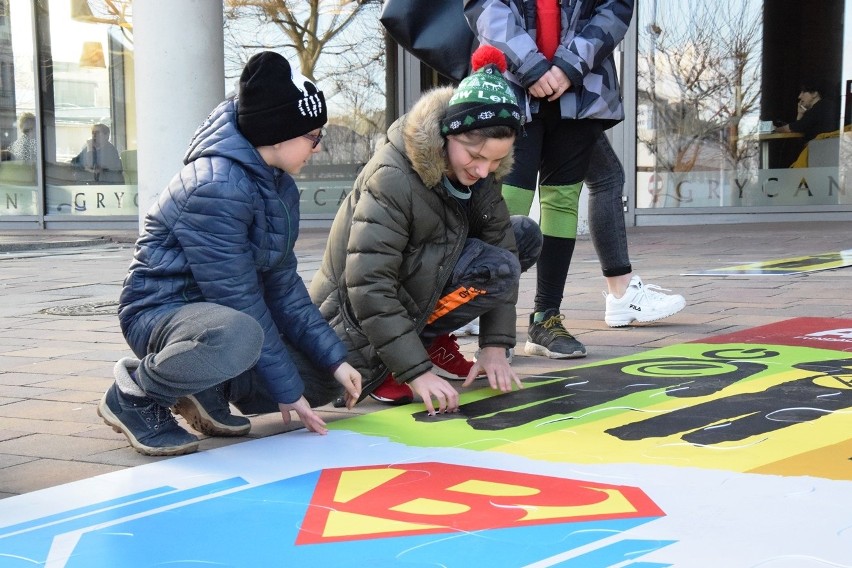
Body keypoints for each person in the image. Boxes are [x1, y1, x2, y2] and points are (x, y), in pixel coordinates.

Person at [97, 51, 361, 457]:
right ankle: (136, 392)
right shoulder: (215, 185)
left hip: (219, 318)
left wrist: (334, 361)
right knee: (242, 336)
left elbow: (283, 285)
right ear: (278, 133)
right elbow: (238, 298)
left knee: (320, 380)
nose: (319, 147)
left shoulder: (278, 186)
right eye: (313, 135)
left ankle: (206, 385)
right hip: (162, 312)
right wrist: (286, 391)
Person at [309, 46, 543, 412]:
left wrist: (495, 347)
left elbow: (504, 250)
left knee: (521, 238)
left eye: (497, 160)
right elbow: (367, 283)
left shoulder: (482, 175)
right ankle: (394, 363)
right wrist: (414, 372)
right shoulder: (394, 176)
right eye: (475, 156)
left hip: (413, 286)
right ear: (448, 135)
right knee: (474, 260)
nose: (483, 170)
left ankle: (429, 340)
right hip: (352, 323)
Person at [464, 0, 685, 360]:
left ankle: (546, 318)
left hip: (580, 88)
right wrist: (532, 67)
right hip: (513, 85)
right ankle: (494, 329)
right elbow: (487, 7)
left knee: (563, 201)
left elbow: (613, 9)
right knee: (508, 204)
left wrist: (568, 67)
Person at [774, 82, 838, 143]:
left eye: (803, 92)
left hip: (820, 149)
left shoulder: (818, 109)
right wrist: (800, 113)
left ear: (814, 94)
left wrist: (774, 129)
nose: (799, 96)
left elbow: (792, 128)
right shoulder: (828, 105)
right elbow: (799, 127)